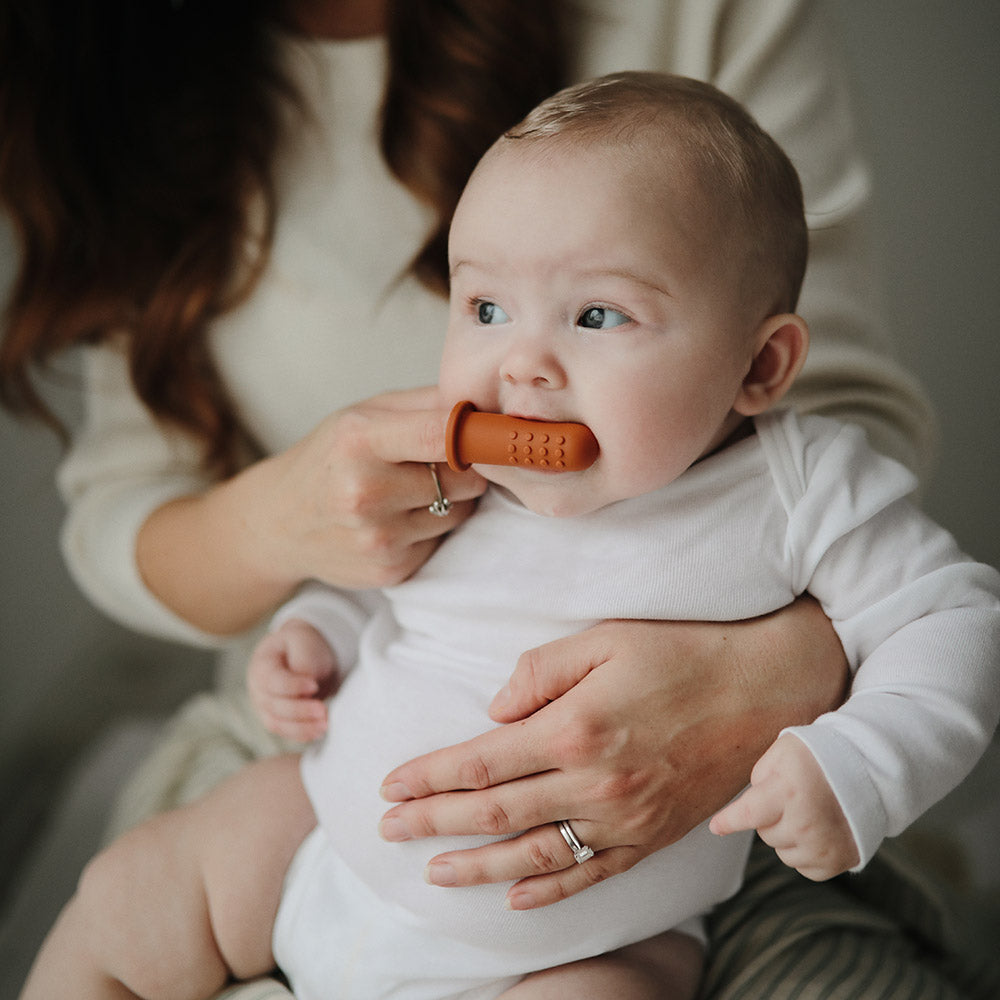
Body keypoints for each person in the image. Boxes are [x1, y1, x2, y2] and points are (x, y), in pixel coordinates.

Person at [1, 3, 982, 999]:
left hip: (574, 942)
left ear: (761, 364)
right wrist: (314, 630)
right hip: (328, 839)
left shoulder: (800, 485)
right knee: (129, 888)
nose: (522, 364)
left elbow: (953, 619)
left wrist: (853, 759)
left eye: (598, 313)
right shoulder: (463, 472)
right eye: (483, 307)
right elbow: (399, 595)